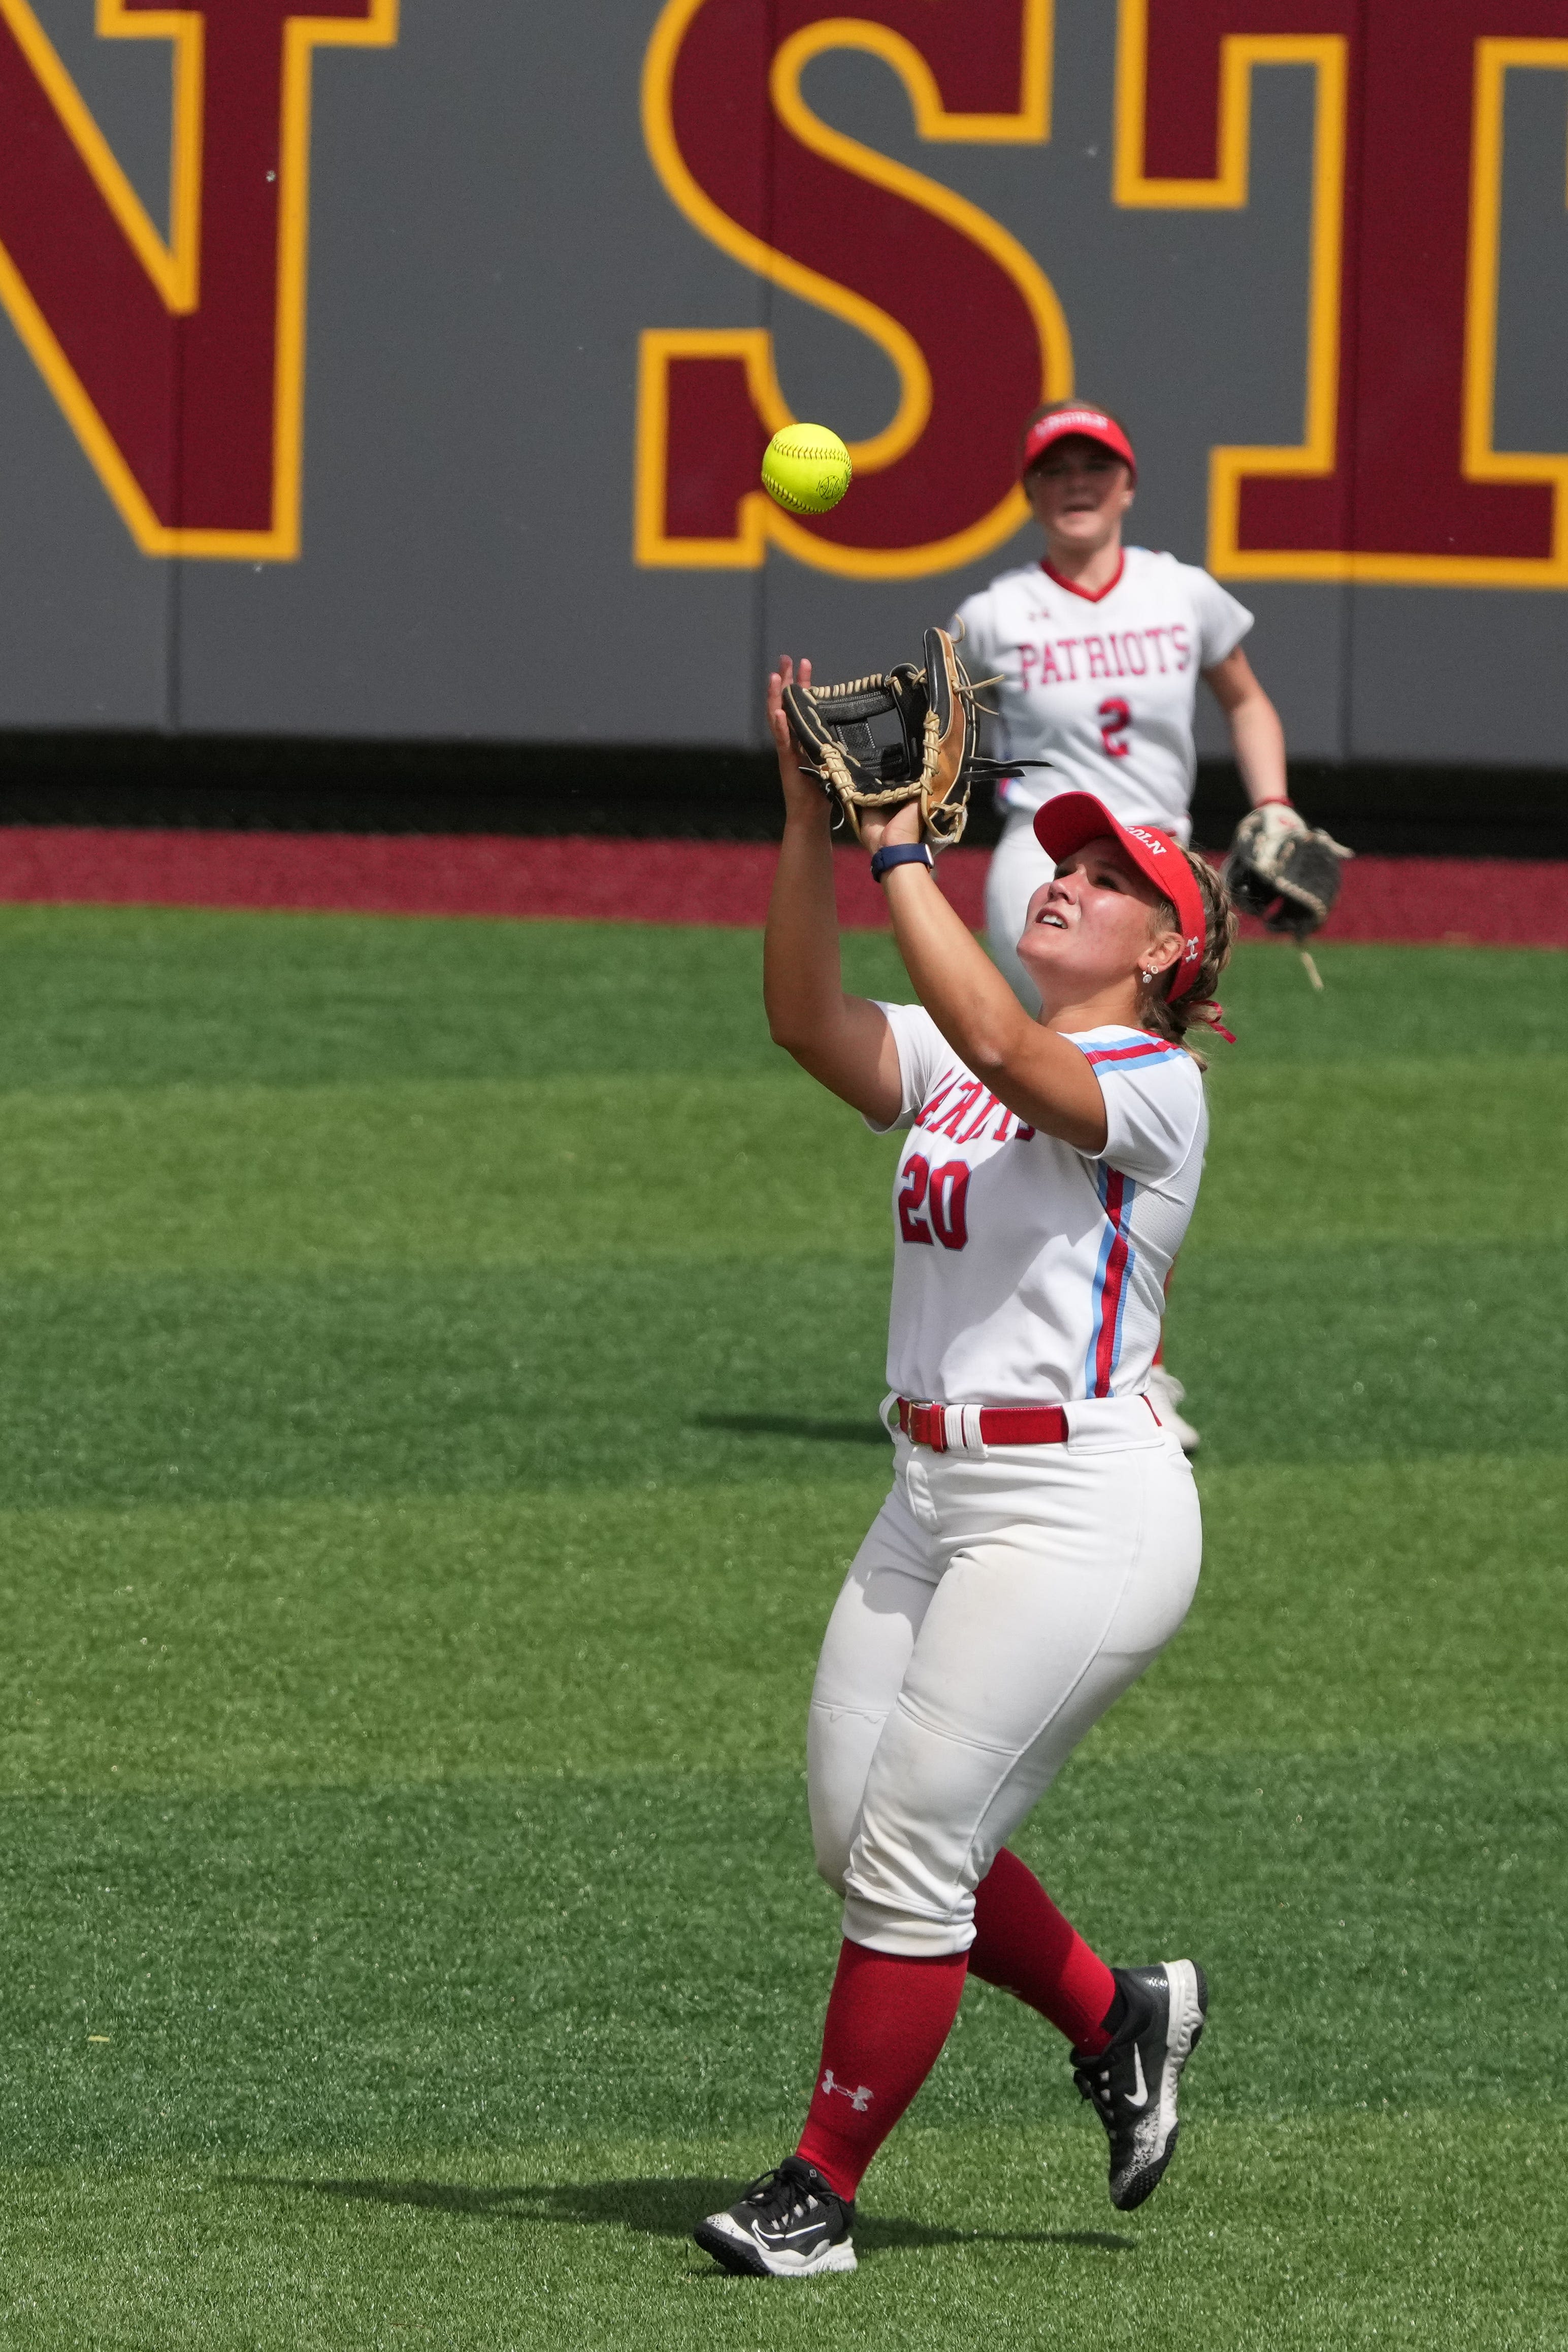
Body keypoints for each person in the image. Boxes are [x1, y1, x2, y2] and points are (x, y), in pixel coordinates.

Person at [692, 656, 1237, 2282]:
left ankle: (818, 2190)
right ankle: (1120, 2013)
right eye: (1062, 863)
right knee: (854, 1832)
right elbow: (807, 1018)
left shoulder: (1156, 1090)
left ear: (1170, 950)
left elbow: (1012, 1054)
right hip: (930, 1499)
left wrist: (900, 849)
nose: (1066, 880)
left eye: (1109, 880)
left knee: (919, 1840)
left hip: (1084, 1516)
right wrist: (811, 829)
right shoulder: (953, 1050)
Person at [954, 399, 1297, 1448]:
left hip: (1165, 871)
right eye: (1054, 467)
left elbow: (1243, 699)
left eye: (1093, 466)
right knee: (1073, 1092)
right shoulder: (992, 614)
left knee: (1135, 1115)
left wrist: (1272, 803)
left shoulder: (1179, 592)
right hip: (1049, 858)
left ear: (1127, 483)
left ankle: (1109, 1350)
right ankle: (1104, 1362)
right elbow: (954, 750)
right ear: (1028, 492)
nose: (1076, 483)